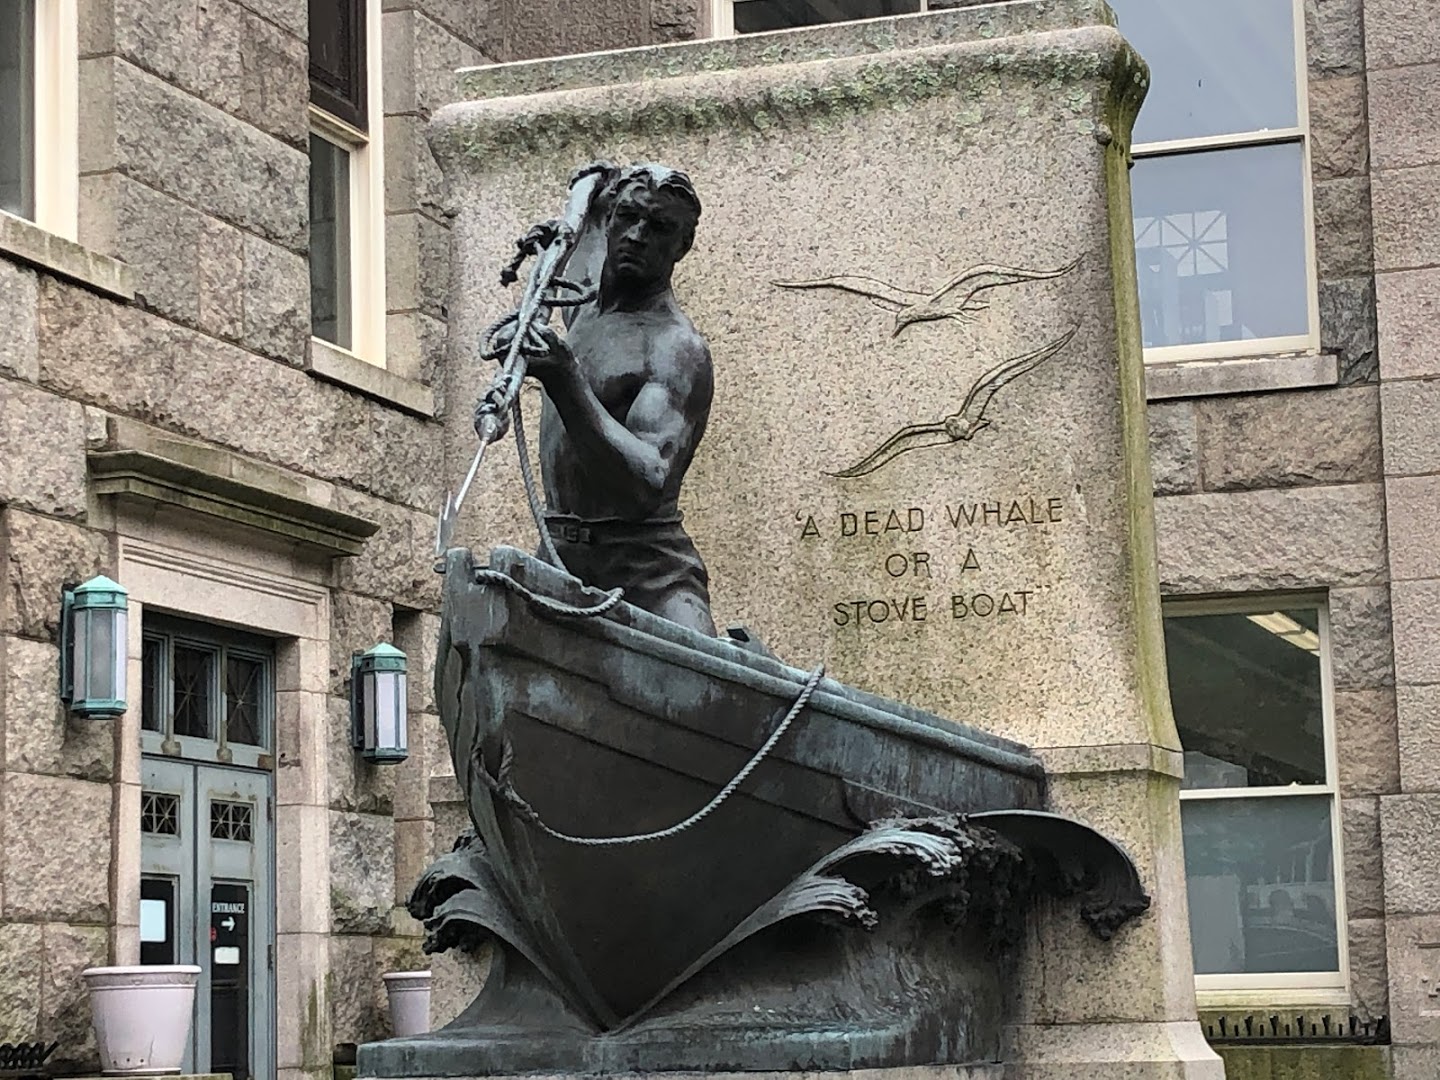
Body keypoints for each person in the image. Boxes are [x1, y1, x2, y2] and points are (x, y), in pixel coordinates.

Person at [507, 164, 717, 635]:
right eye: (629, 218)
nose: (637, 236)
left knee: (696, 671)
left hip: (647, 572)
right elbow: (584, 219)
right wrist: (592, 190)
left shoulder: (675, 349)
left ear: (682, 245)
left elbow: (646, 484)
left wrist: (566, 380)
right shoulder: (582, 302)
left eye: (658, 227)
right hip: (561, 556)